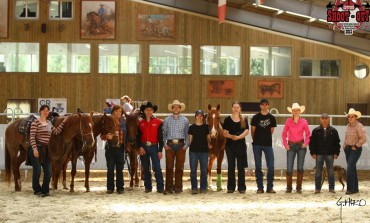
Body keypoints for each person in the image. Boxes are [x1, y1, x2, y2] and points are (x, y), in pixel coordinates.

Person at [29, 105, 67, 197]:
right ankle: (37, 189)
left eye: (47, 111)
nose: (46, 112)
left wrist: (63, 122)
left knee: (49, 171)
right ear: (40, 111)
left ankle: (45, 190)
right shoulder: (35, 123)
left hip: (47, 149)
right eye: (45, 111)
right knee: (37, 170)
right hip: (37, 148)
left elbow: (56, 132)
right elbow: (32, 137)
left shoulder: (49, 123)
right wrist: (34, 149)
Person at [282, 103, 310, 194]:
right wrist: (285, 144)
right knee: (289, 167)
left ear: (300, 111)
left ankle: (299, 187)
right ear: (292, 112)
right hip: (291, 146)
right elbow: (284, 134)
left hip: (301, 145)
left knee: (300, 167)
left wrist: (305, 143)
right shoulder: (288, 121)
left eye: (297, 110)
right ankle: (289, 187)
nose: (296, 112)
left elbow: (308, 134)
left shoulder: (304, 121)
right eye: (294, 110)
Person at [137, 101, 165, 193]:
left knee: (157, 167)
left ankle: (160, 187)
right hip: (144, 146)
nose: (149, 111)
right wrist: (140, 147)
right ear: (144, 111)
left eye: (150, 110)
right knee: (145, 168)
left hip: (154, 147)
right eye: (147, 110)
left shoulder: (158, 122)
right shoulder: (140, 123)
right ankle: (148, 187)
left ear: (153, 111)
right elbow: (138, 137)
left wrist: (160, 150)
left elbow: (161, 137)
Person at [309, 113, 341, 194]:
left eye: (326, 118)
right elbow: (312, 143)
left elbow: (337, 143)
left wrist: (336, 153)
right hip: (319, 154)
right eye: (323, 118)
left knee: (330, 172)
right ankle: (317, 188)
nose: (324, 119)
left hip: (330, 154)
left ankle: (331, 188)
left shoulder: (333, 131)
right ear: (320, 119)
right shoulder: (316, 131)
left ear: (328, 119)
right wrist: (312, 152)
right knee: (318, 172)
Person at [163, 100, 189, 194]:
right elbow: (164, 133)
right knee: (169, 167)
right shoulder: (166, 120)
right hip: (170, 145)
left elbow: (187, 134)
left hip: (181, 145)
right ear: (172, 108)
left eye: (178, 107)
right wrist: (164, 144)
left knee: (179, 168)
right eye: (174, 107)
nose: (176, 109)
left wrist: (186, 145)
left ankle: (178, 187)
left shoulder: (185, 120)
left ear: (180, 109)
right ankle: (169, 187)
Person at [251, 99, 277, 194]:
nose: (264, 106)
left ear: (268, 106)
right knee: (258, 166)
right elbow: (252, 131)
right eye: (263, 104)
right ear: (260, 106)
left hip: (268, 144)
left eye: (266, 104)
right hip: (257, 144)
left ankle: (270, 187)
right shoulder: (255, 117)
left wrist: (265, 138)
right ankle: (260, 187)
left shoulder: (272, 118)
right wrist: (256, 140)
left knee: (271, 166)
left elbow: (271, 130)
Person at [223, 101, 249, 194]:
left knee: (241, 167)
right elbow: (224, 132)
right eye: (234, 107)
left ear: (240, 109)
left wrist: (238, 137)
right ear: (232, 108)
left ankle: (242, 187)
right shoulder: (227, 119)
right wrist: (231, 136)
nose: (236, 109)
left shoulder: (244, 119)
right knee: (231, 166)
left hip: (241, 145)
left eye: (237, 107)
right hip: (230, 145)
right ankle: (230, 187)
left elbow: (246, 131)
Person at [100, 105, 126, 194]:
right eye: (116, 111)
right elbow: (102, 135)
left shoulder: (124, 122)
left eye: (120, 112)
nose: (118, 113)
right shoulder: (108, 121)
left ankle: (120, 187)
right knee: (110, 168)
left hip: (120, 148)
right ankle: (110, 188)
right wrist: (106, 136)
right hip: (110, 148)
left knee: (120, 168)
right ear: (112, 112)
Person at [343, 108, 366, 195]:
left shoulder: (359, 126)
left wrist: (356, 146)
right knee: (352, 168)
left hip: (355, 149)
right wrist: (344, 145)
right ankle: (355, 188)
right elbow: (346, 137)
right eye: (349, 117)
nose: (350, 118)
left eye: (352, 117)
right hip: (348, 149)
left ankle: (350, 189)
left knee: (349, 168)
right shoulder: (347, 126)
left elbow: (363, 138)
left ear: (356, 117)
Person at [188, 109, 211, 194]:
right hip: (193, 151)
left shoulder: (206, 127)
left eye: (201, 116)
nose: (199, 117)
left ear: (203, 117)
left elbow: (208, 138)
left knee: (204, 170)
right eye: (198, 115)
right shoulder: (191, 127)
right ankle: (194, 188)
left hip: (204, 151)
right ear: (195, 116)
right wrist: (187, 146)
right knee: (193, 170)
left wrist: (209, 143)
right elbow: (190, 139)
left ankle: (203, 187)